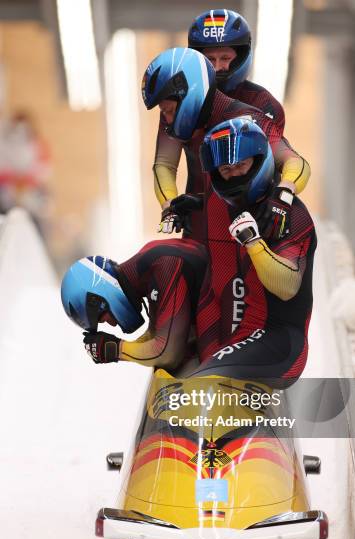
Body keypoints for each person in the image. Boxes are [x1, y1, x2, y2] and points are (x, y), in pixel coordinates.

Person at [187, 117, 316, 386]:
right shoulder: (237, 209)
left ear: (259, 162)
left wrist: (253, 242)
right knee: (189, 384)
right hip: (246, 335)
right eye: (225, 169)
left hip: (281, 343)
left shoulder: (290, 215)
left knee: (202, 385)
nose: (233, 175)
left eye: (241, 165)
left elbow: (288, 285)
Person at [143, 47, 310, 243]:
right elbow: (164, 164)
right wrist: (170, 205)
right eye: (164, 112)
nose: (167, 118)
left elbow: (296, 162)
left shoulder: (248, 119)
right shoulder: (173, 121)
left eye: (169, 110)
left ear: (190, 97)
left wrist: (283, 195)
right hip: (203, 231)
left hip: (254, 232)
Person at [153, 10, 286, 219]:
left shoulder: (265, 105)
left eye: (225, 58)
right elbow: (164, 163)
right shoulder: (178, 107)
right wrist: (170, 205)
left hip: (256, 216)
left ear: (240, 56)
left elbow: (277, 165)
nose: (217, 67)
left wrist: (282, 199)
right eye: (210, 59)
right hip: (200, 218)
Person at [60, 239, 207, 370]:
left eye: (102, 318)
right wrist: (120, 347)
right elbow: (156, 335)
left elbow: (167, 354)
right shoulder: (148, 263)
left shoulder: (164, 265)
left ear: (99, 299)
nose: (111, 324)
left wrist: (115, 349)